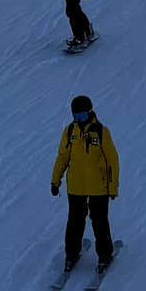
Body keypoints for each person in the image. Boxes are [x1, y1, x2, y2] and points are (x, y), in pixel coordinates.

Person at [51, 95, 118, 277]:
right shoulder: (70, 131)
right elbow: (63, 157)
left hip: (98, 188)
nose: (78, 119)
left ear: (89, 112)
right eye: (75, 116)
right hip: (76, 187)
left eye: (81, 116)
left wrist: (112, 187)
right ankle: (71, 254)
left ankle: (105, 256)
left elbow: (112, 161)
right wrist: (55, 180)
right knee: (74, 222)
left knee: (99, 223)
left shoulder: (101, 131)